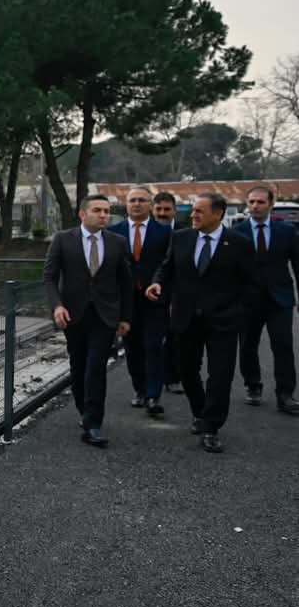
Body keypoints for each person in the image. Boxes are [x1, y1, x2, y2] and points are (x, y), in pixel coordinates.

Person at [147, 192, 259, 453]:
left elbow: (251, 284)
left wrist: (237, 312)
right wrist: (157, 283)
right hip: (186, 318)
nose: (193, 215)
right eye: (193, 210)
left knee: (220, 375)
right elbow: (167, 267)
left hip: (223, 321)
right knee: (186, 370)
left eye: (199, 211)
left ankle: (211, 427)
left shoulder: (239, 244)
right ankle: (200, 412)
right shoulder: (181, 237)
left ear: (218, 214)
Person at [44, 194, 134, 447]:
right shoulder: (63, 239)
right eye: (98, 210)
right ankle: (84, 411)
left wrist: (126, 317)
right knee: (79, 365)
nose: (104, 215)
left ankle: (93, 424)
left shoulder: (117, 242)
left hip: (105, 316)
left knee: (96, 366)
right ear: (83, 214)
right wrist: (57, 306)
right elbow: (49, 277)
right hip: (73, 314)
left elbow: (126, 283)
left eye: (106, 211)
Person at [110, 187, 171, 416]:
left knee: (153, 346)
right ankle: (140, 390)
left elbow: (169, 264)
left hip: (154, 299)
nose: (137, 204)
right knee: (132, 348)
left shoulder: (165, 233)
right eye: (132, 200)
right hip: (126, 302)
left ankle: (154, 396)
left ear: (150, 204)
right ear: (126, 204)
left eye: (142, 200)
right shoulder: (113, 232)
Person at [237, 186, 299, 415]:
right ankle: (253, 385)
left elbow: (298, 265)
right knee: (247, 345)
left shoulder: (287, 231)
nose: (255, 206)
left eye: (261, 202)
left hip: (279, 299)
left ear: (271, 204)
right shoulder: (238, 232)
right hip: (247, 300)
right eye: (251, 202)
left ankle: (285, 394)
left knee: (283, 345)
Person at [152, 192, 182, 394]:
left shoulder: (185, 232)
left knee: (174, 338)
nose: (162, 213)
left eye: (167, 209)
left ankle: (172, 377)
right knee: (150, 340)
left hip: (176, 293)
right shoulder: (144, 231)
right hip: (148, 291)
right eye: (158, 209)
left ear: (174, 211)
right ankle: (149, 381)